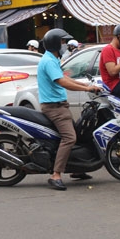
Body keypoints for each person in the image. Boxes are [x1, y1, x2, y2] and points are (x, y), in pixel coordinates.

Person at [38, 28, 101, 190]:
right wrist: (87, 89)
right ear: (54, 43)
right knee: (70, 138)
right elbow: (62, 82)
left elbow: (64, 78)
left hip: (59, 106)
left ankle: (77, 169)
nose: (64, 45)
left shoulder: (52, 59)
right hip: (55, 108)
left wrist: (86, 85)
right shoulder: (49, 61)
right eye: (62, 42)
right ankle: (56, 174)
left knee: (78, 135)